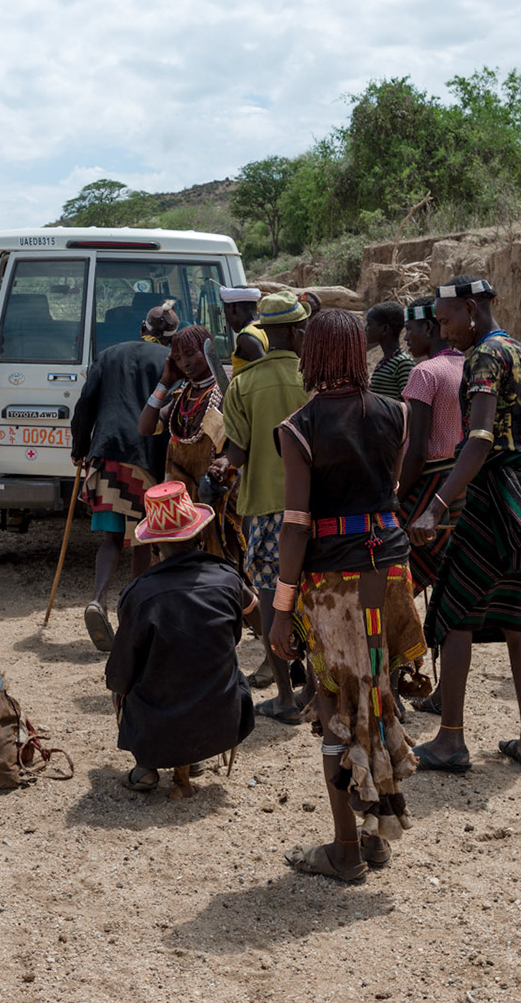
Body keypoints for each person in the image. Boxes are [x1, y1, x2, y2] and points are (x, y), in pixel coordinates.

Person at [266, 308, 429, 884]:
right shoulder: (397, 413)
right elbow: (389, 493)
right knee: (377, 699)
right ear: (357, 352)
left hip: (330, 588)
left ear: (314, 355)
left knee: (337, 708)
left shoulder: (300, 427)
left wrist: (281, 610)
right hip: (389, 577)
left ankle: (345, 850)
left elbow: (295, 525)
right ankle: (376, 833)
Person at [407, 276, 521, 773]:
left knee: (452, 611)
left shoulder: (484, 359)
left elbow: (479, 440)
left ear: (471, 309)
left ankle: (451, 739)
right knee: (517, 613)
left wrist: (436, 505)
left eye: (447, 319)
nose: (443, 331)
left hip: (493, 496)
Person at [105, 481, 257, 798]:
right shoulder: (229, 579)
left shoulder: (139, 594)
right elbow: (253, 623)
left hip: (157, 729)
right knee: (226, 667)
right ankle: (194, 756)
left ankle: (147, 766)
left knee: (125, 684)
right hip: (222, 723)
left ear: (157, 545)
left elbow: (119, 677)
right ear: (199, 534)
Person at [213, 291, 310, 722]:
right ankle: (314, 689)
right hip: (317, 507)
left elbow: (238, 451)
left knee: (273, 599)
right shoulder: (315, 379)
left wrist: (220, 468)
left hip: (268, 509)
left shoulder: (244, 384)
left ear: (267, 332)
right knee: (314, 594)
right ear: (295, 330)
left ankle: (286, 695)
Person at [70, 304, 176, 651]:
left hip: (108, 453)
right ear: (171, 335)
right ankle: (133, 614)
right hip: (149, 459)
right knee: (143, 542)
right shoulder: (172, 361)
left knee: (112, 539)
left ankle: (98, 599)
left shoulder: (110, 354)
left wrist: (80, 445)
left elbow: (85, 403)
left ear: (142, 325)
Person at [393, 295, 467, 714]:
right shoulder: (468, 366)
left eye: (412, 329)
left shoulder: (424, 374)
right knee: (448, 590)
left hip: (427, 485)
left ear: (430, 329)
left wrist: (397, 499)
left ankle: (398, 684)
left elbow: (417, 450)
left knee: (400, 587)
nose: (408, 337)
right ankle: (443, 691)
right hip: (462, 485)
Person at [137, 324, 227, 554]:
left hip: (214, 494)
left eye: (189, 354)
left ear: (209, 350)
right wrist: (164, 383)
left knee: (219, 556)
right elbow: (146, 427)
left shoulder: (228, 391)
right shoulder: (181, 398)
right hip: (181, 503)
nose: (184, 363)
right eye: (177, 358)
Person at [366, 301, 413, 400]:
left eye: (369, 324)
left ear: (385, 329)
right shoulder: (386, 360)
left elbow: (409, 403)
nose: (366, 328)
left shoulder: (403, 363)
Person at [220, 286, 268, 368]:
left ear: (233, 308)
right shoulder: (262, 327)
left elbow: (266, 369)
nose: (227, 320)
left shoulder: (247, 337)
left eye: (225, 312)